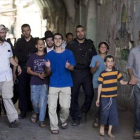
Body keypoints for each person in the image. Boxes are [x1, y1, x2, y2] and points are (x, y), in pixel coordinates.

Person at [45, 33, 76, 134]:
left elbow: (72, 67)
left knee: (65, 107)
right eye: (55, 39)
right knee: (52, 107)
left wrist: (68, 66)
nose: (57, 40)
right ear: (53, 41)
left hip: (66, 83)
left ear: (62, 41)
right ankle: (54, 126)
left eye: (59, 38)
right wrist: (48, 66)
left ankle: (63, 119)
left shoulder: (69, 53)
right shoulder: (49, 55)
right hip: (53, 84)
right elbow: (48, 72)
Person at [66, 25, 97, 125]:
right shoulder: (70, 44)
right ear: (76, 33)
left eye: (82, 31)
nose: (80, 33)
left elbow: (94, 57)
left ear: (85, 32)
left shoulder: (90, 44)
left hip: (87, 72)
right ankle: (75, 117)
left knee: (90, 93)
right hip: (75, 72)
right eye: (78, 31)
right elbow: (65, 57)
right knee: (74, 95)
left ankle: (84, 111)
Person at [96, 55, 129, 138]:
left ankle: (110, 131)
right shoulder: (102, 74)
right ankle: (102, 126)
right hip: (104, 97)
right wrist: (98, 99)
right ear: (105, 63)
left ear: (113, 63)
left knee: (113, 114)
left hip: (113, 97)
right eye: (108, 61)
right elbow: (100, 86)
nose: (110, 63)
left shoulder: (116, 72)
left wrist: (130, 82)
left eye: (111, 61)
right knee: (105, 113)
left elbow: (122, 82)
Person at [14, 24, 38, 119]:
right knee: (22, 90)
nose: (26, 32)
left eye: (27, 30)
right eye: (24, 30)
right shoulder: (19, 43)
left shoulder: (36, 41)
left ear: (30, 30)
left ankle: (34, 110)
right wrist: (16, 69)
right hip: (23, 69)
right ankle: (23, 111)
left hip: (34, 69)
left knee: (34, 90)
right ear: (22, 31)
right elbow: (15, 57)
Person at [0, 24, 22, 128]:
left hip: (6, 77)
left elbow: (10, 59)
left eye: (4, 32)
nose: (4, 34)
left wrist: (17, 66)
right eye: (1, 32)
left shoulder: (8, 45)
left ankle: (13, 119)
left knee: (7, 98)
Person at [27, 39, 49, 127]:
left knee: (43, 102)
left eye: (42, 43)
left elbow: (52, 70)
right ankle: (35, 112)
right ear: (36, 46)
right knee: (34, 101)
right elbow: (28, 70)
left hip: (44, 83)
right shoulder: (32, 57)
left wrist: (46, 74)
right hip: (34, 82)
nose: (40, 45)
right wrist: (37, 74)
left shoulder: (48, 56)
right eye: (38, 44)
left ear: (44, 45)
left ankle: (41, 120)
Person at [90, 42, 109, 127]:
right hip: (97, 83)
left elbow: (113, 71)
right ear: (98, 49)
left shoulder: (109, 58)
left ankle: (104, 120)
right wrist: (96, 66)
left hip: (108, 83)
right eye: (101, 47)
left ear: (107, 49)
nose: (103, 48)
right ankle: (96, 119)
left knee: (106, 102)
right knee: (97, 101)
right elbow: (91, 71)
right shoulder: (95, 58)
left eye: (104, 47)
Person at [127, 45, 140, 139]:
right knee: (138, 107)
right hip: (138, 82)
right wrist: (132, 77)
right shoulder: (134, 51)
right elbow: (130, 66)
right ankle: (137, 129)